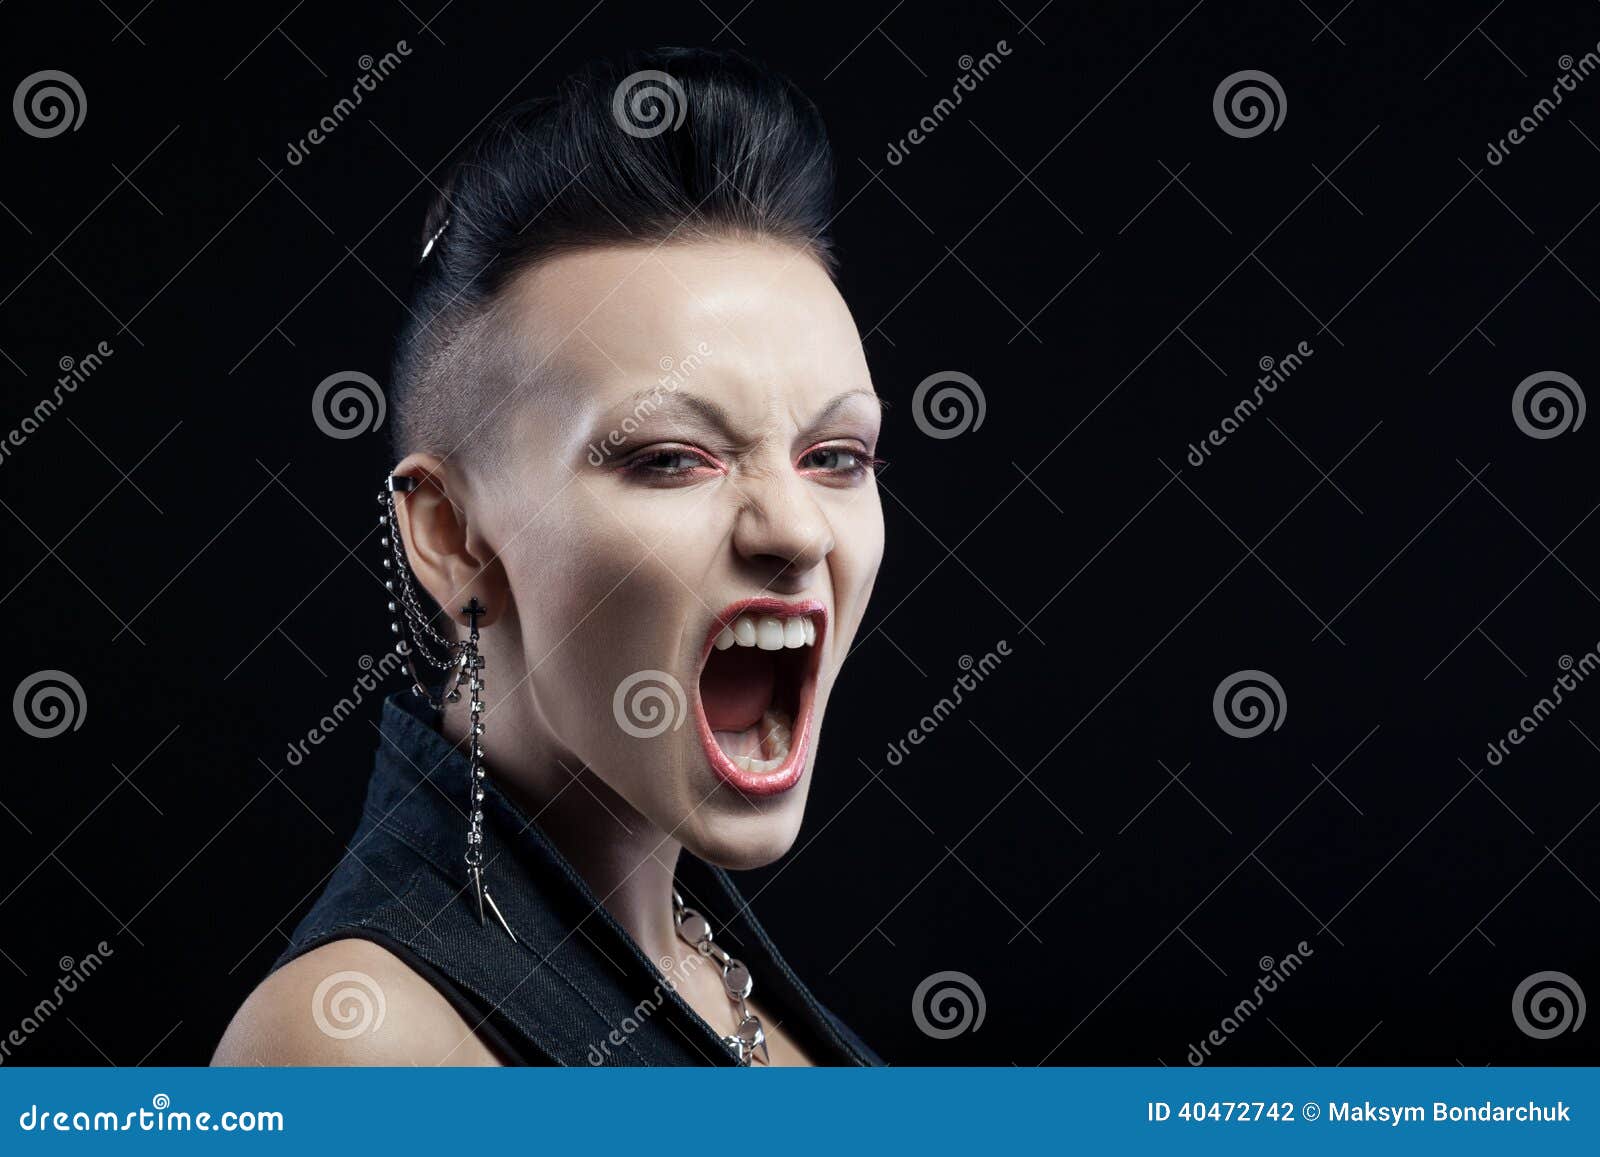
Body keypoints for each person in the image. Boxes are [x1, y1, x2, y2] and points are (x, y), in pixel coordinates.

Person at [213, 47, 885, 1066]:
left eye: (834, 456)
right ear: (449, 534)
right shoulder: (357, 1041)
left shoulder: (708, 956)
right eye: (669, 459)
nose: (795, 530)